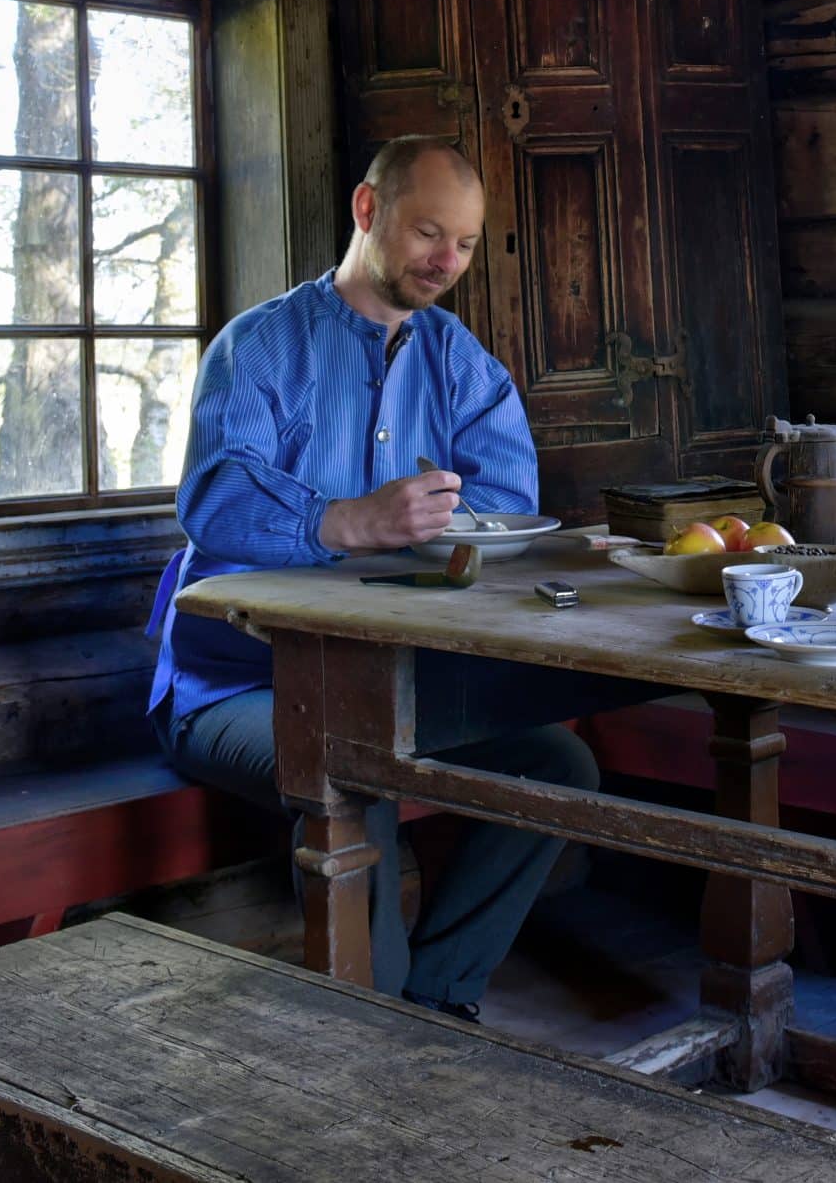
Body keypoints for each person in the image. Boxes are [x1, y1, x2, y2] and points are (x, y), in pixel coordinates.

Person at [144, 136, 598, 1020]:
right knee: (359, 771)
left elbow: (506, 497)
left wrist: (438, 526)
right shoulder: (261, 347)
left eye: (464, 244)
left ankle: (435, 1001)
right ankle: (374, 1043)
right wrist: (349, 522)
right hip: (233, 685)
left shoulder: (458, 358)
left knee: (560, 764)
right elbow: (214, 501)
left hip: (392, 676)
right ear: (366, 209)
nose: (446, 261)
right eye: (430, 232)